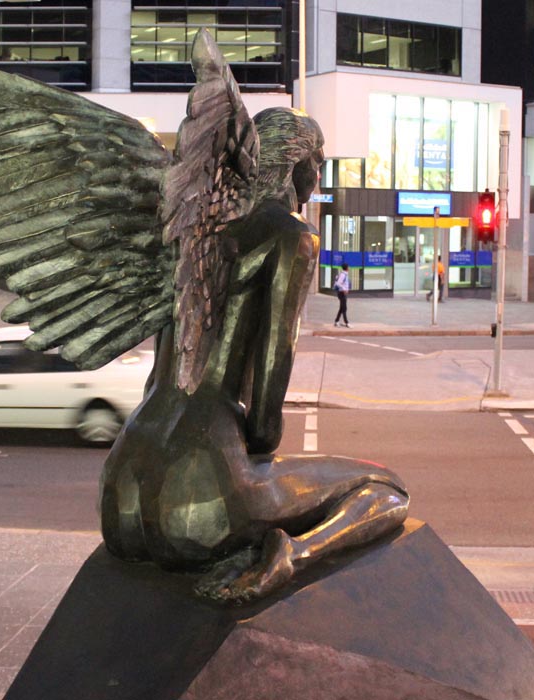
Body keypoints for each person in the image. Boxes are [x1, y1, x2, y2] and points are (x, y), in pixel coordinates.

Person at [100, 108, 408, 604]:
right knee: (386, 490)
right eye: (319, 161)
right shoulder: (292, 236)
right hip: (202, 498)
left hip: (121, 487)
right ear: (294, 165)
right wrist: (253, 450)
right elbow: (265, 416)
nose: (320, 175)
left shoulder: (186, 227)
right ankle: (293, 555)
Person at [333, 262, 350, 327]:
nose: (349, 268)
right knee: (344, 308)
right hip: (342, 293)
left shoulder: (344, 274)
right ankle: (346, 323)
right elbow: (338, 283)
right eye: (348, 267)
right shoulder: (343, 275)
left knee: (341, 308)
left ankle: (336, 321)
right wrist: (344, 289)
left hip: (342, 293)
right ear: (346, 268)